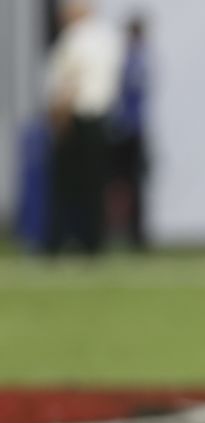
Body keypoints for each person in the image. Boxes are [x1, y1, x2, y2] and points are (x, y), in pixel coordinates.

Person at [43, 0, 124, 256]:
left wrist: (58, 118)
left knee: (65, 184)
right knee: (95, 184)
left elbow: (69, 82)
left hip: (76, 117)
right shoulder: (108, 37)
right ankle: (93, 242)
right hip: (101, 118)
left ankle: (58, 241)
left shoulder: (75, 38)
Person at [107, 13, 150, 251]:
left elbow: (128, 97)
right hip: (131, 129)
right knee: (128, 183)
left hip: (129, 130)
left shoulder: (134, 60)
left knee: (130, 182)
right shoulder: (137, 58)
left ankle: (135, 234)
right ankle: (130, 233)